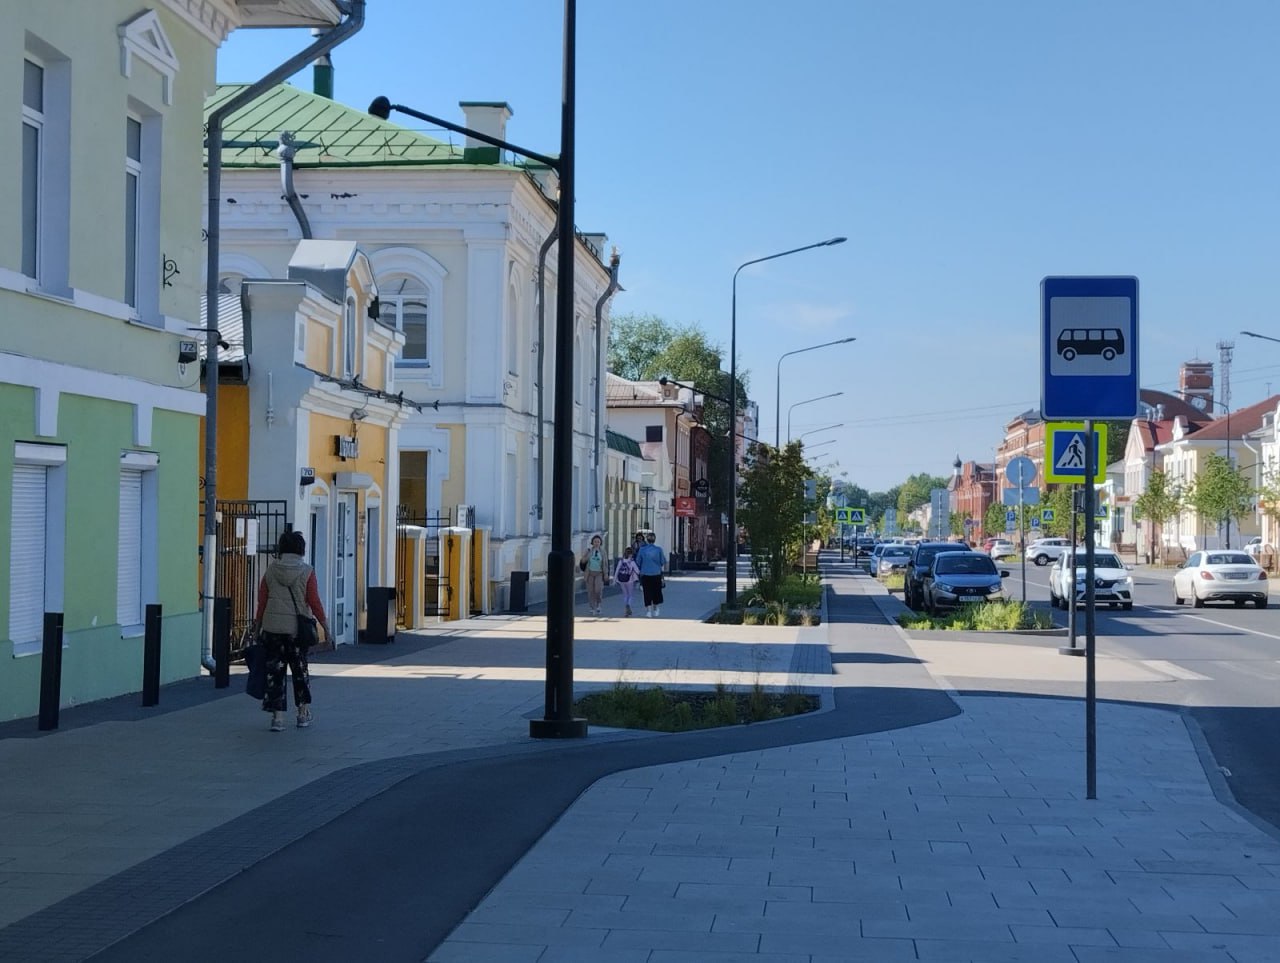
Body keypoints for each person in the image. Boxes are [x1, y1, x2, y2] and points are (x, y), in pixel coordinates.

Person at [252, 530, 329, 732]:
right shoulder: (307, 571)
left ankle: (277, 718)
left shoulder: (270, 571)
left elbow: (262, 603)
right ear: (301, 549)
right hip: (296, 632)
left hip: (272, 629)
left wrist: (257, 627)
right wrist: (325, 626)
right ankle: (302, 714)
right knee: (299, 672)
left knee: (275, 673)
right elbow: (314, 601)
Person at [635, 531, 667, 618]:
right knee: (656, 591)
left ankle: (648, 611)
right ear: (655, 540)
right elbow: (662, 562)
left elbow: (638, 561)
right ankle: (656, 609)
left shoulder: (642, 550)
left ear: (647, 540)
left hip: (645, 574)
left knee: (647, 592)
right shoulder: (659, 550)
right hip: (656, 574)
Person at [578, 534, 609, 615]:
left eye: (598, 542)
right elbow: (583, 562)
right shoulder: (589, 551)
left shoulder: (603, 552)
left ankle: (598, 604)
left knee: (598, 590)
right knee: (590, 591)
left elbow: (605, 564)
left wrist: (606, 574)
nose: (596, 543)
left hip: (599, 573)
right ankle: (592, 607)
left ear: (600, 543)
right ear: (592, 542)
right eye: (595, 542)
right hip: (590, 573)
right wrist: (585, 555)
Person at [613, 546, 641, 617]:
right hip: (630, 580)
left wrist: (614, 580)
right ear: (631, 554)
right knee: (630, 594)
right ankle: (628, 605)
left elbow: (617, 571)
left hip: (621, 580)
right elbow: (637, 571)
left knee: (625, 594)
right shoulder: (632, 562)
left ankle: (626, 607)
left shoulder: (621, 561)